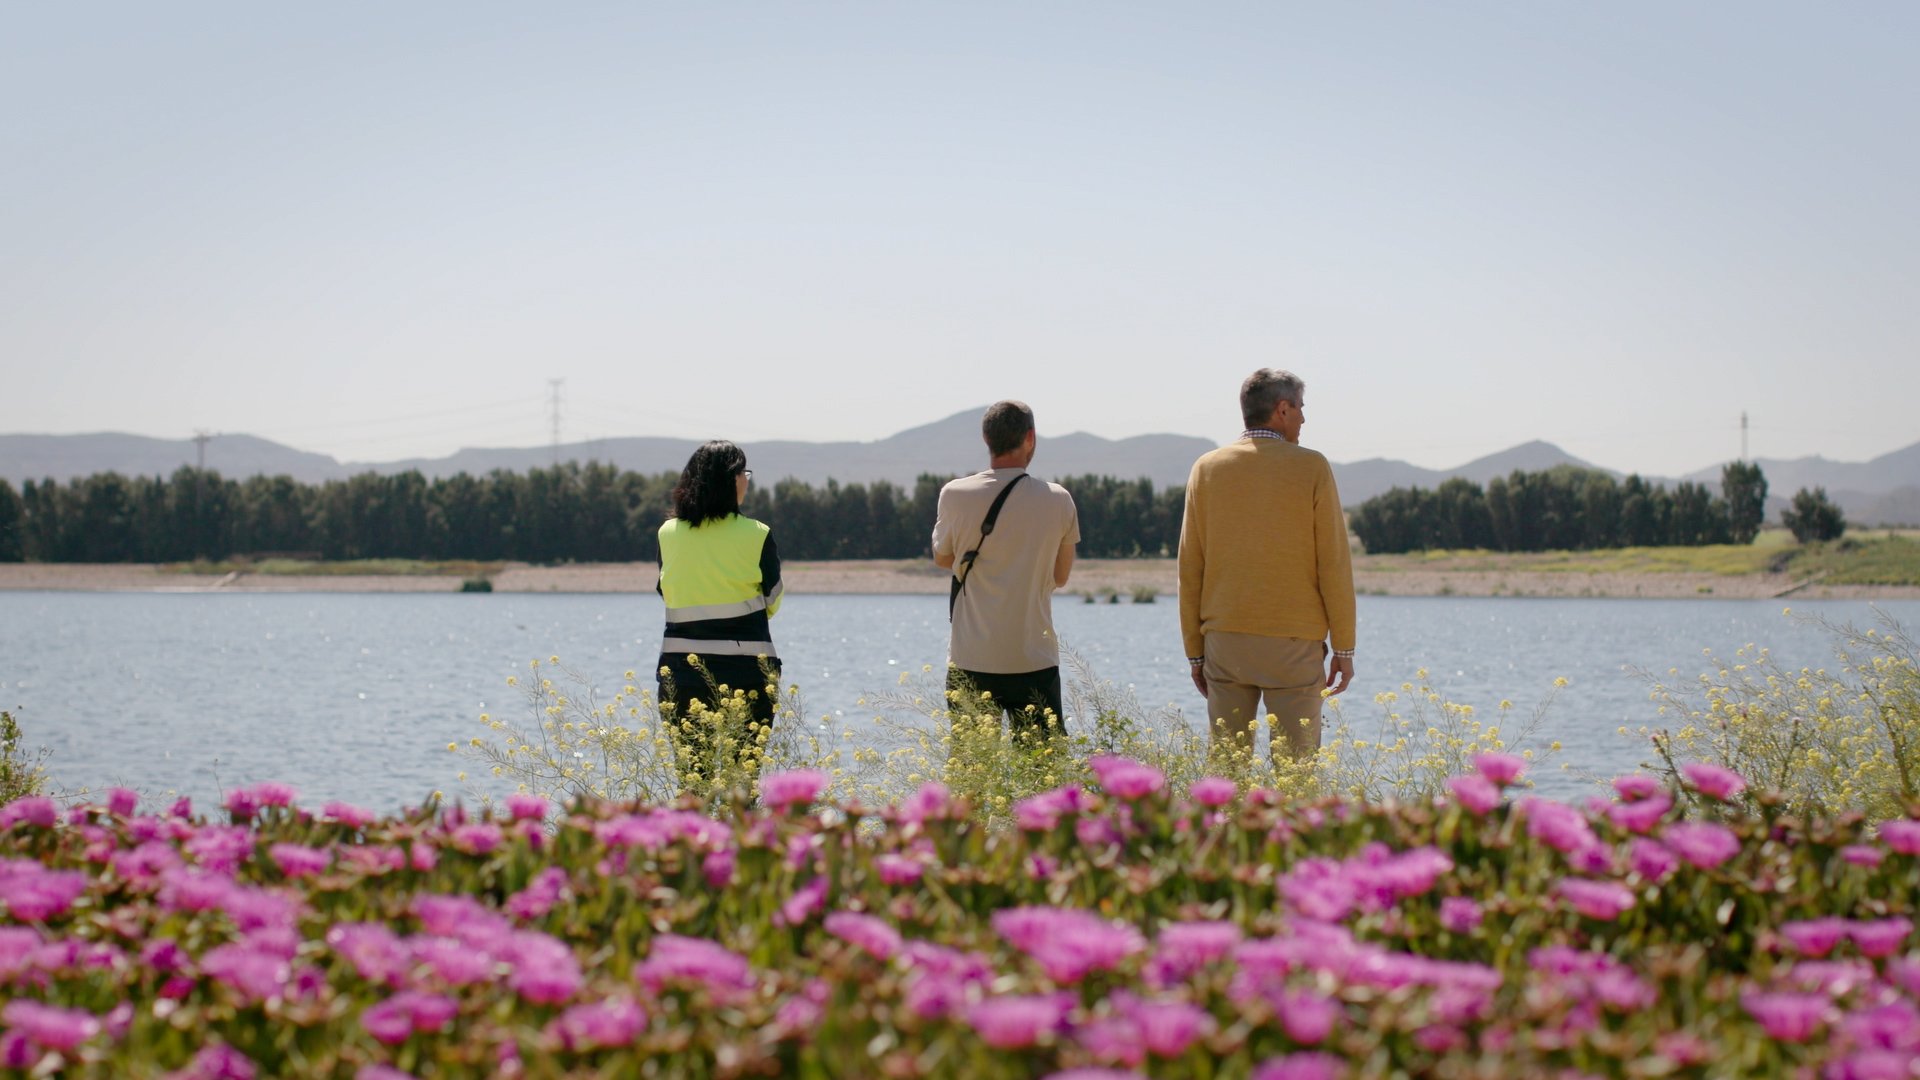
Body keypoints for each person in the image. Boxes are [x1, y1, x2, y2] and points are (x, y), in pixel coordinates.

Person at [1178, 368, 1356, 761]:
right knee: (1297, 774)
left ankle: (1222, 824)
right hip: (1293, 645)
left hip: (1224, 640)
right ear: (1282, 409)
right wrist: (1344, 646)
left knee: (1227, 772)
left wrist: (1195, 652)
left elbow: (1191, 567)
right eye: (1301, 408)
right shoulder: (1311, 467)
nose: (1304, 419)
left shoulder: (1206, 468)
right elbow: (1334, 564)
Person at [932, 401, 1080, 734]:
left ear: (986, 438)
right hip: (1034, 660)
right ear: (1030, 437)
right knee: (1042, 774)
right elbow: (1060, 576)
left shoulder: (954, 494)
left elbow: (942, 558)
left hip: (970, 659)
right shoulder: (1059, 499)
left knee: (972, 774)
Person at [655, 440, 782, 774]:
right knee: (743, 785)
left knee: (693, 782)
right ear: (730, 480)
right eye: (744, 473)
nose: (747, 480)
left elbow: (665, 591)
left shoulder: (668, 533)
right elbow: (773, 598)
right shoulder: (757, 533)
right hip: (749, 673)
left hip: (681, 674)